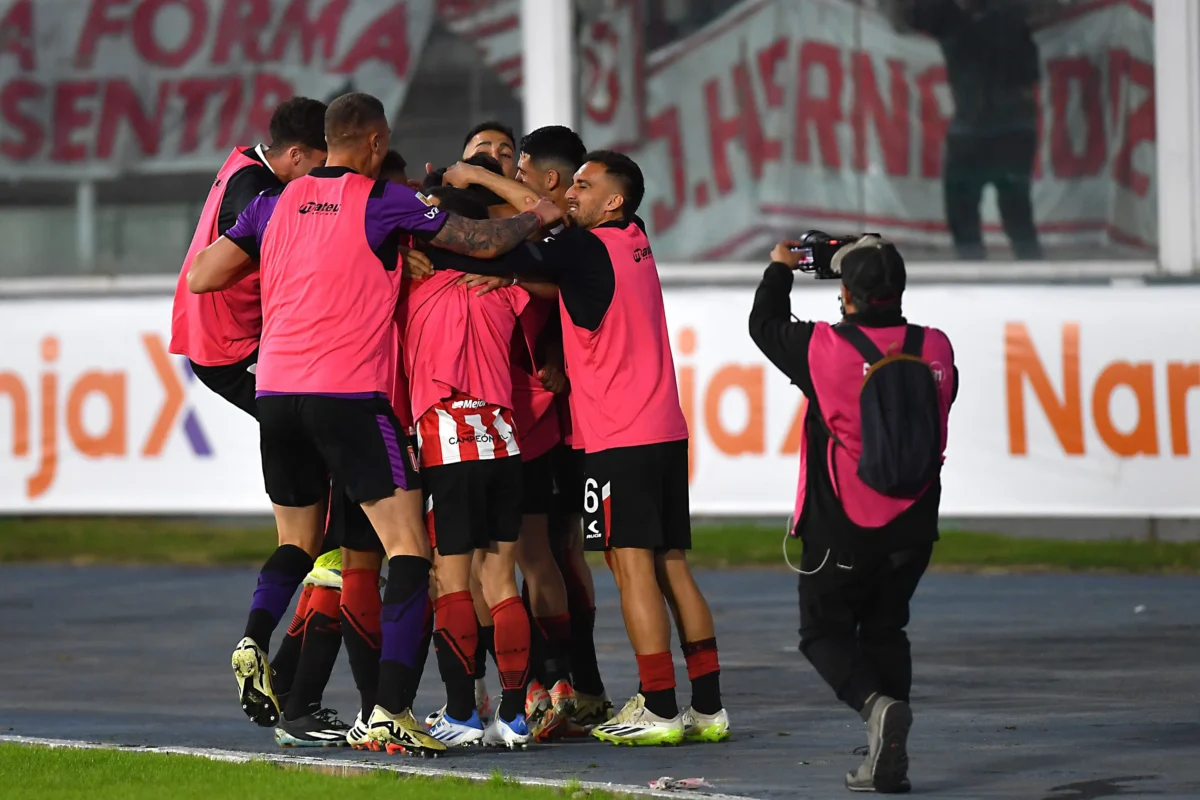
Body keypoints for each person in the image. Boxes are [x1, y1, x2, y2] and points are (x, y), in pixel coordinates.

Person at [187, 91, 563, 755]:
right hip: (350, 396)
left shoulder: (275, 204)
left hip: (275, 392)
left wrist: (283, 261)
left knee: (300, 544)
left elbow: (205, 277)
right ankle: (390, 708)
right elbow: (480, 238)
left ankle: (253, 635)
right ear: (372, 139)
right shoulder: (379, 202)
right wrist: (535, 214)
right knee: (410, 551)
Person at [427, 150, 729, 747]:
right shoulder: (633, 238)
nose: (571, 193)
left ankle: (660, 706)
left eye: (585, 187)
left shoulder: (584, 248)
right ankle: (708, 707)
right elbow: (548, 238)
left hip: (619, 436)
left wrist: (474, 183)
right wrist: (519, 273)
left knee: (631, 566)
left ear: (614, 201)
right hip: (663, 430)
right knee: (671, 565)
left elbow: (500, 240)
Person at [166, 96, 351, 745]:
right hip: (244, 353)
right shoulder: (264, 192)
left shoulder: (245, 168)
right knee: (337, 521)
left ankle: (261, 650)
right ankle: (301, 695)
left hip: (236, 350)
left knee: (303, 525)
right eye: (325, 166)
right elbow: (242, 269)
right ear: (298, 156)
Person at [748, 235, 958, 793]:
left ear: (845, 293)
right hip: (914, 523)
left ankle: (875, 708)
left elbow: (763, 325)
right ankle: (888, 756)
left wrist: (780, 269)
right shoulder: (936, 346)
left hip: (843, 522)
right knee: (888, 628)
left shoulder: (825, 348)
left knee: (821, 633)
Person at [903, 0, 1042, 260]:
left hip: (997, 127)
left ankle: (1015, 272)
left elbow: (913, 16)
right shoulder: (956, 16)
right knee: (986, 210)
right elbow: (911, 16)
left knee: (1006, 210)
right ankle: (986, 270)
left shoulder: (997, 17)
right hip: (989, 127)